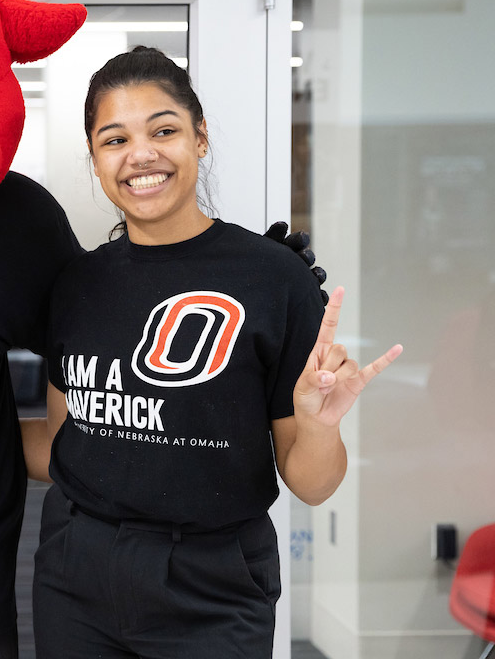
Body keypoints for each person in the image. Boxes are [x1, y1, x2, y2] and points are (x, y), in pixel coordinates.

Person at [21, 46, 402, 659]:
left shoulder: (274, 280)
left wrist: (319, 425)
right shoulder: (77, 284)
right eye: (113, 139)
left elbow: (311, 483)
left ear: (200, 139)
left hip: (212, 582)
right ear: (95, 161)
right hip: (76, 571)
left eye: (163, 130)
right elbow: (63, 446)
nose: (140, 154)